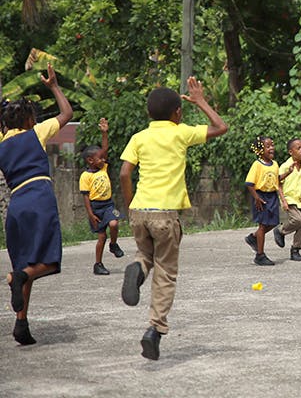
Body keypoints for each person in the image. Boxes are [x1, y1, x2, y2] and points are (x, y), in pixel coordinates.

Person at [119, 77, 228, 360]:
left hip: (140, 211)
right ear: (177, 113)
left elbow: (124, 173)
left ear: (148, 113)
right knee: (165, 273)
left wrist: (130, 205)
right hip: (166, 214)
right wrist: (201, 101)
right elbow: (221, 127)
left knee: (144, 255)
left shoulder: (139, 137)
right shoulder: (180, 133)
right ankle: (154, 330)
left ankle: (138, 270)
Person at [1, 63, 73, 345]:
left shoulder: (2, 142)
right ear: (30, 119)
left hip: (16, 204)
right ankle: (18, 277)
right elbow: (67, 113)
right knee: (48, 262)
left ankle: (21, 325)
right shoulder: (37, 132)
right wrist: (54, 86)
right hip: (39, 197)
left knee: (23, 261)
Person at [80, 117, 125, 276]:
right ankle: (98, 264)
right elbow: (85, 196)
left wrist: (104, 133)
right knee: (101, 236)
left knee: (115, 222)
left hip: (109, 205)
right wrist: (90, 214)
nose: (103, 159)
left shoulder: (103, 168)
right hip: (95, 207)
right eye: (99, 158)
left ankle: (114, 244)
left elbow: (105, 150)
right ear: (90, 160)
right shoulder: (86, 176)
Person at [243, 136, 283, 266]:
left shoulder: (275, 164)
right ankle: (260, 255)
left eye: (272, 145)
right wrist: (256, 198)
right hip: (261, 196)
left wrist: (288, 172)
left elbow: (277, 179)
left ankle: (253, 237)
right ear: (260, 150)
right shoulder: (257, 164)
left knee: (273, 222)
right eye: (268, 146)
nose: (272, 148)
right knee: (262, 225)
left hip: (272, 196)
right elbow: (249, 183)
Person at [273, 138, 301, 262]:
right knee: (298, 219)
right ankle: (280, 230)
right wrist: (283, 200)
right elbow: (278, 183)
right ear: (291, 152)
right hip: (289, 198)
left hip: (300, 200)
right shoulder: (285, 166)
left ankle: (295, 249)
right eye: (298, 148)